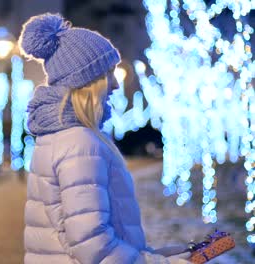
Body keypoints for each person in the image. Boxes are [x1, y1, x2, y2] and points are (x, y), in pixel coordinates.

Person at [20, 13, 191, 263]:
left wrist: (155, 256)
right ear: (87, 82)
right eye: (107, 74)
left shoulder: (58, 136)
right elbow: (94, 246)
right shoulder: (80, 143)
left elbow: (81, 237)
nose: (115, 85)